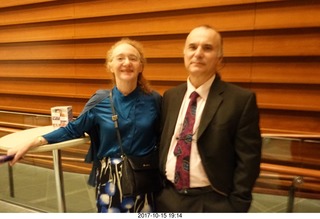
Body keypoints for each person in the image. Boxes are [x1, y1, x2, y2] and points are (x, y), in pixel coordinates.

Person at [7, 38, 162, 213]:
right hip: (110, 182)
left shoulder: (154, 100)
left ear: (141, 66)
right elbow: (73, 129)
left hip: (146, 180)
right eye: (120, 58)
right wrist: (32, 143)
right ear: (110, 65)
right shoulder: (100, 101)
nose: (127, 63)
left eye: (133, 58)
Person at [155, 25, 262, 212]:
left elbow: (249, 160)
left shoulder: (240, 100)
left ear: (219, 59)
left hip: (213, 202)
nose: (198, 53)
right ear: (184, 54)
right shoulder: (170, 96)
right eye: (192, 47)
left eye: (207, 48)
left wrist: (237, 206)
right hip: (167, 197)